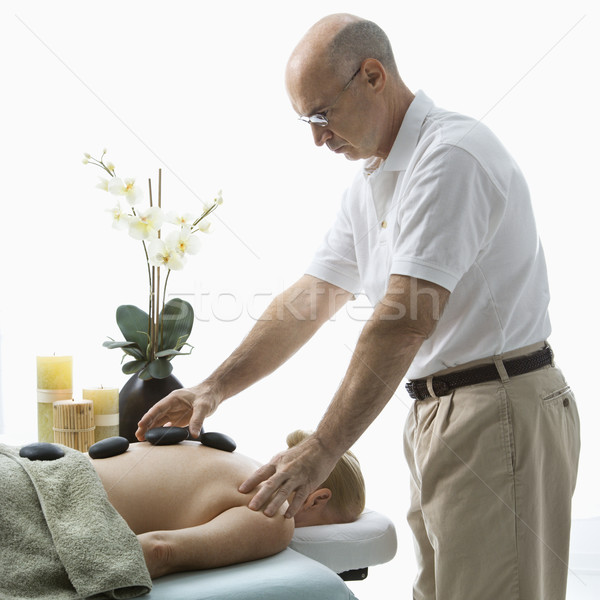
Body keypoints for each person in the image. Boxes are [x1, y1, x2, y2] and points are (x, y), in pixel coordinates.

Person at [136, 13, 581, 599]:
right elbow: (309, 299)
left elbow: (403, 322)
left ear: (373, 75)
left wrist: (322, 448)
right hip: (441, 412)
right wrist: (212, 388)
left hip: (497, 409)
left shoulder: (450, 157)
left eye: (322, 114)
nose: (317, 137)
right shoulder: (373, 181)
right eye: (306, 120)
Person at [91, 430, 366, 579]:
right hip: (67, 506)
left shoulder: (234, 459)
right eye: (330, 523)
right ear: (318, 499)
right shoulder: (272, 512)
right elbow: (159, 552)